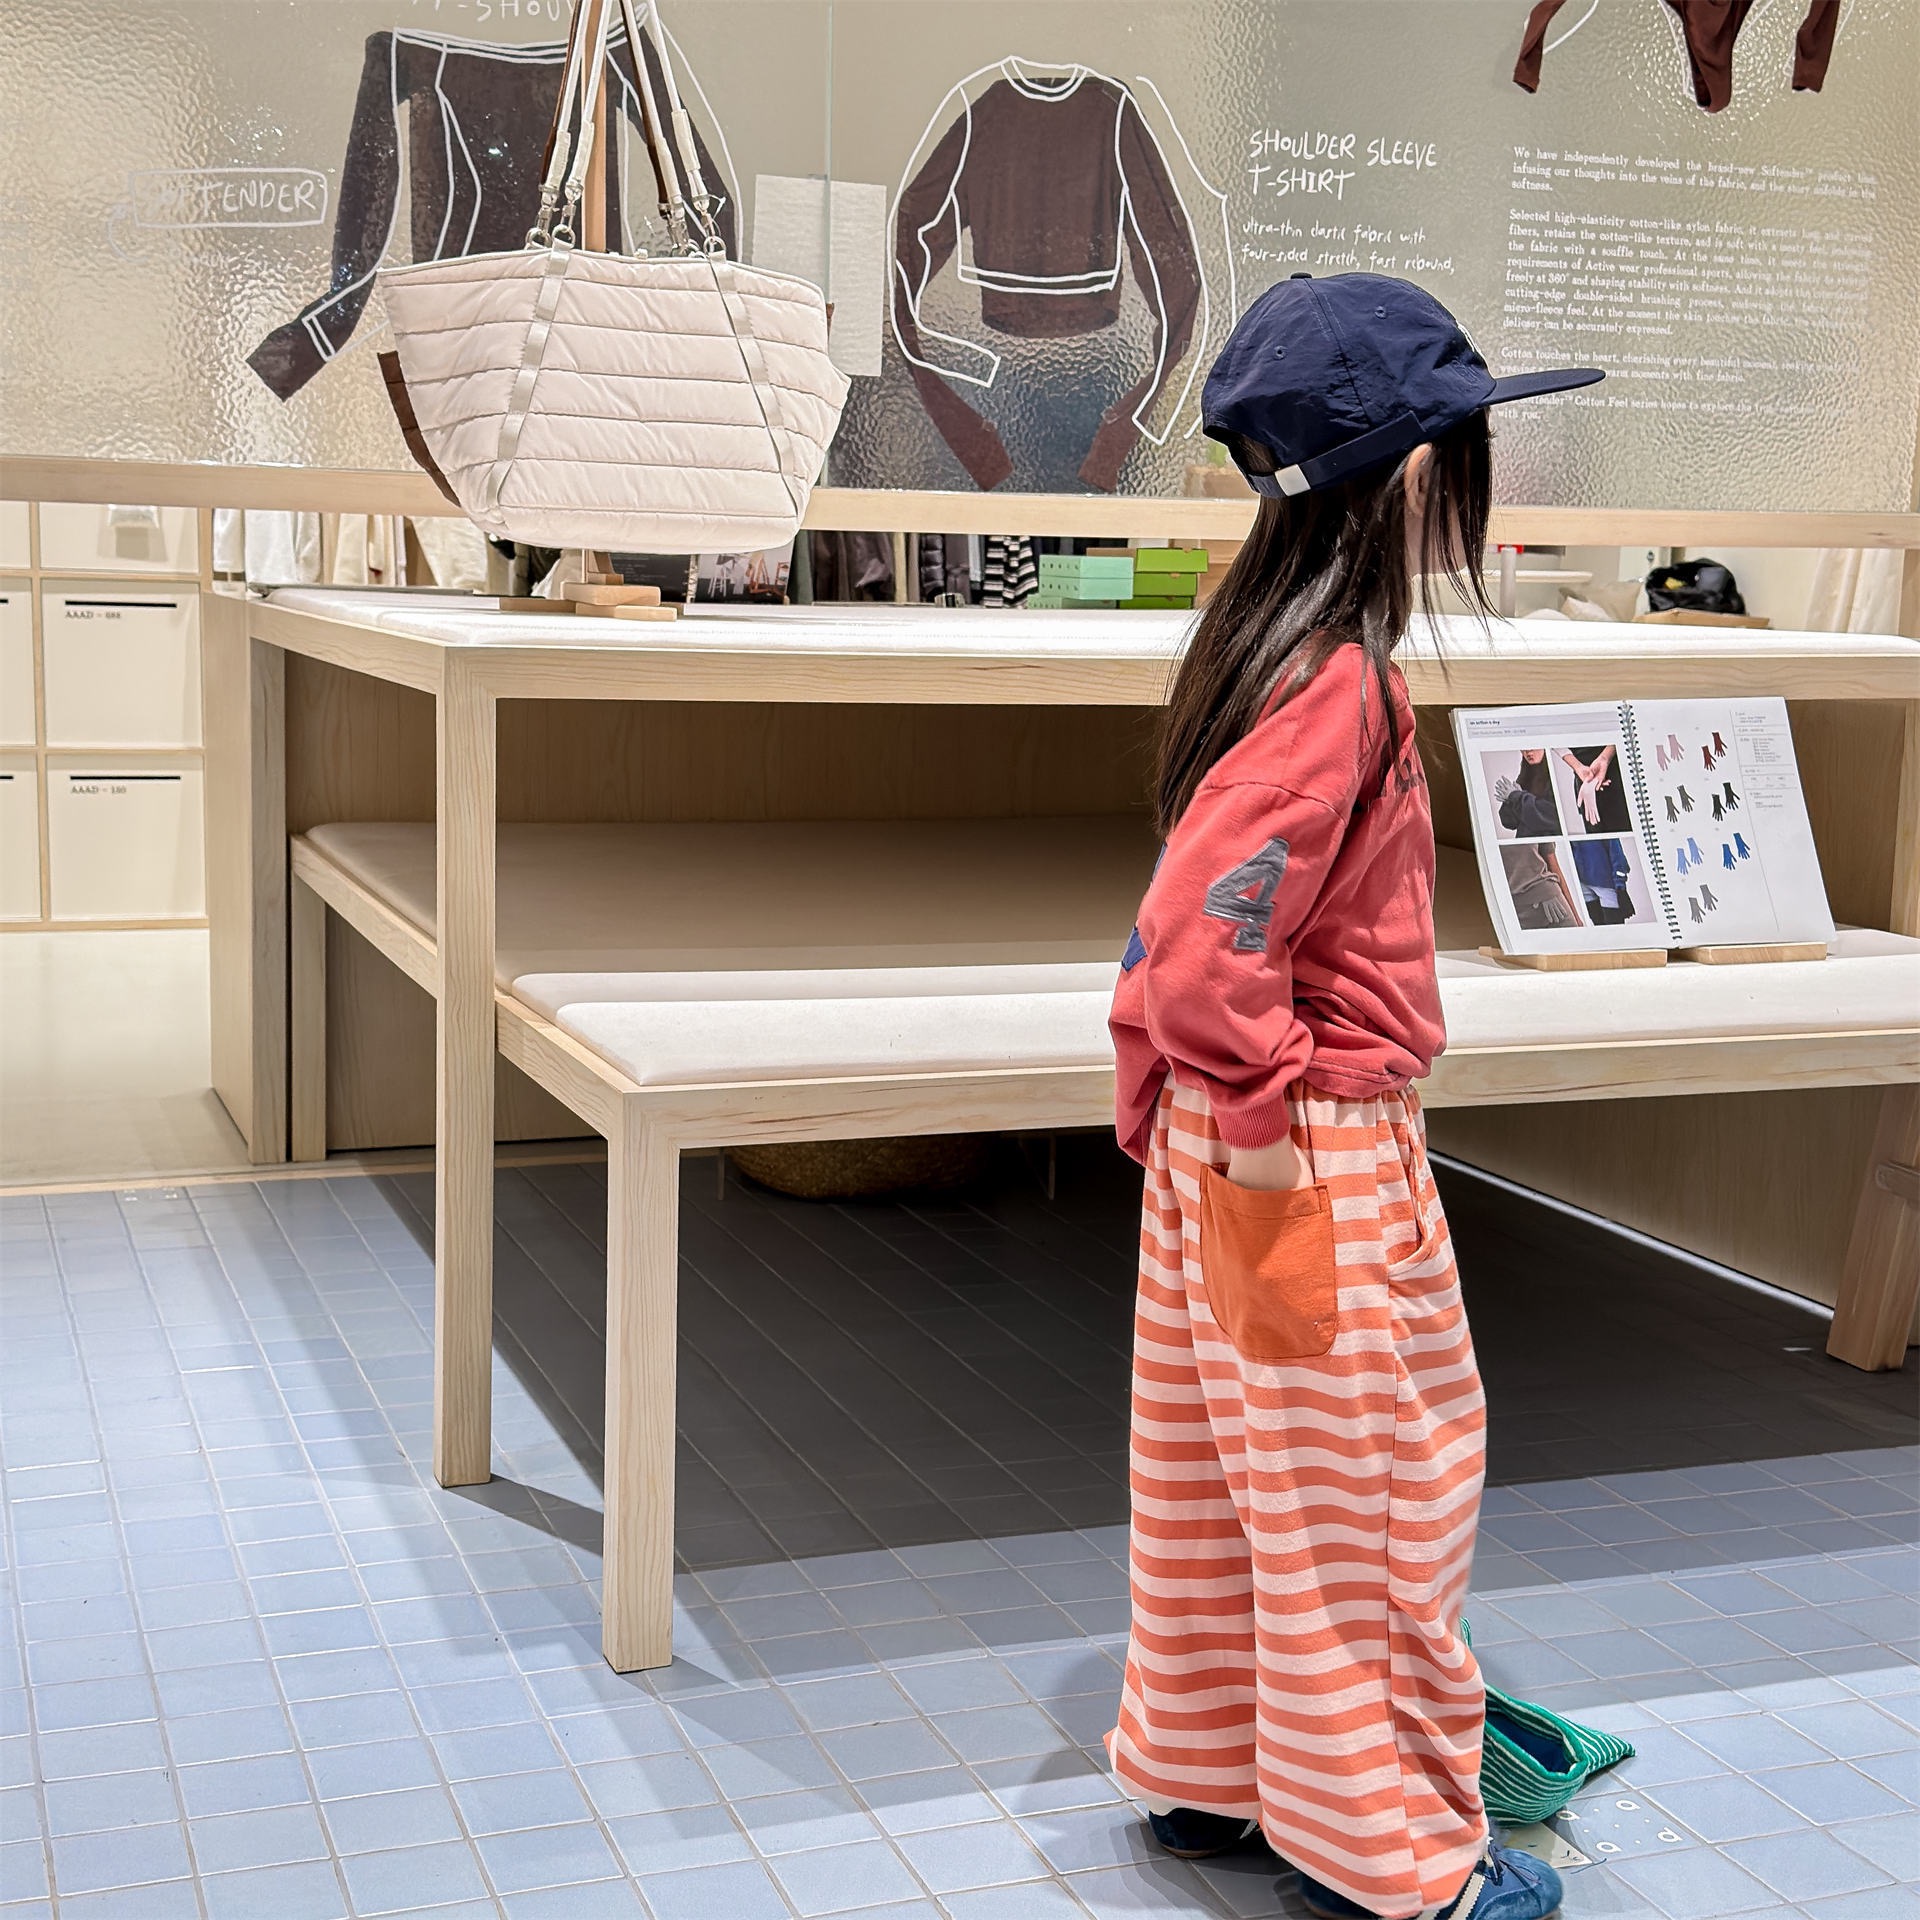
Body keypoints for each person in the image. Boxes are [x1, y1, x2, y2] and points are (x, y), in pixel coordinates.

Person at [1107, 271, 1601, 1920]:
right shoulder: (1346, 687)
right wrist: (1260, 1134)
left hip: (1234, 1135)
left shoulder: (1260, 649)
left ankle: (1213, 1780)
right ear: (1413, 474)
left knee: (1224, 1483)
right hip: (1308, 1141)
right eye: (1471, 449)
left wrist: (1184, 1111)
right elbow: (1208, 942)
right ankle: (1395, 1859)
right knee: (1380, 1498)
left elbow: (1176, 932)